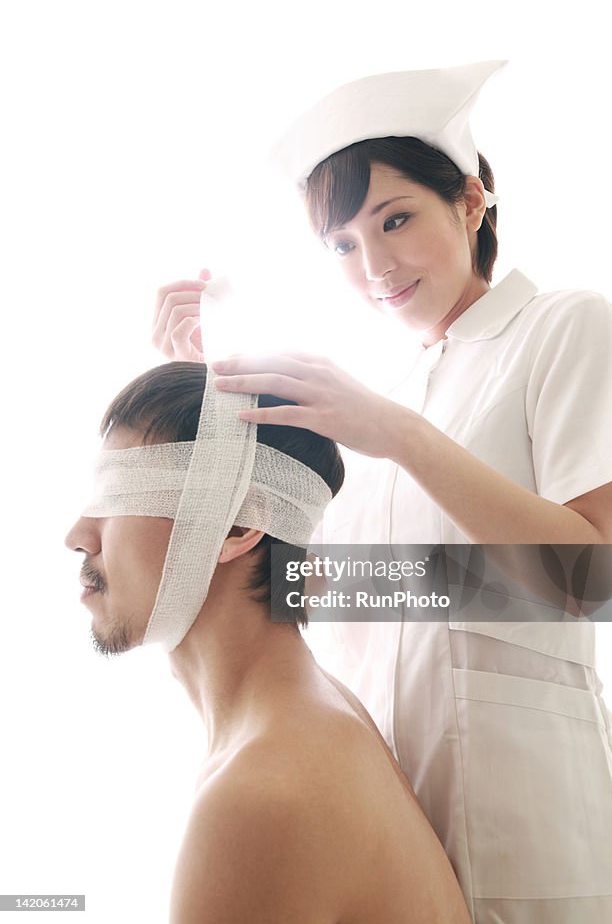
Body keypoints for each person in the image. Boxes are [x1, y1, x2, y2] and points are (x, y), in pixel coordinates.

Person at [151, 62, 612, 923]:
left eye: (395, 220)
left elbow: (599, 581)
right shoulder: (386, 392)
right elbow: (310, 592)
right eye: (341, 244)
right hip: (384, 814)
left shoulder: (564, 326)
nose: (373, 264)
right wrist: (197, 384)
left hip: (535, 819)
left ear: (469, 200)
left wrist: (393, 434)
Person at [65, 360, 471, 924]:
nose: (77, 537)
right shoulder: (308, 719)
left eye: (118, 497)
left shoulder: (261, 795)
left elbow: (595, 579)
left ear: (236, 527)